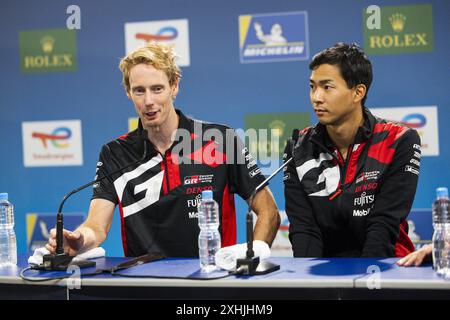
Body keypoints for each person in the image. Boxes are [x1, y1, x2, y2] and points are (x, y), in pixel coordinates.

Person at [45, 42, 280, 258]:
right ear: (128, 92)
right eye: (139, 91)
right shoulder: (114, 153)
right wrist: (80, 241)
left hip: (212, 282)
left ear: (174, 86)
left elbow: (268, 210)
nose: (148, 101)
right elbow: (97, 224)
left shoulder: (220, 140)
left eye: (157, 89)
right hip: (144, 285)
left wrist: (254, 255)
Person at [283, 43, 421, 258]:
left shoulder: (399, 140)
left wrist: (366, 284)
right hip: (323, 272)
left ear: (358, 92)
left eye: (327, 87)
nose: (316, 97)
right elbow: (304, 229)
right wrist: (309, 286)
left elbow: (384, 225)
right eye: (312, 86)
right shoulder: (298, 147)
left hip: (385, 268)